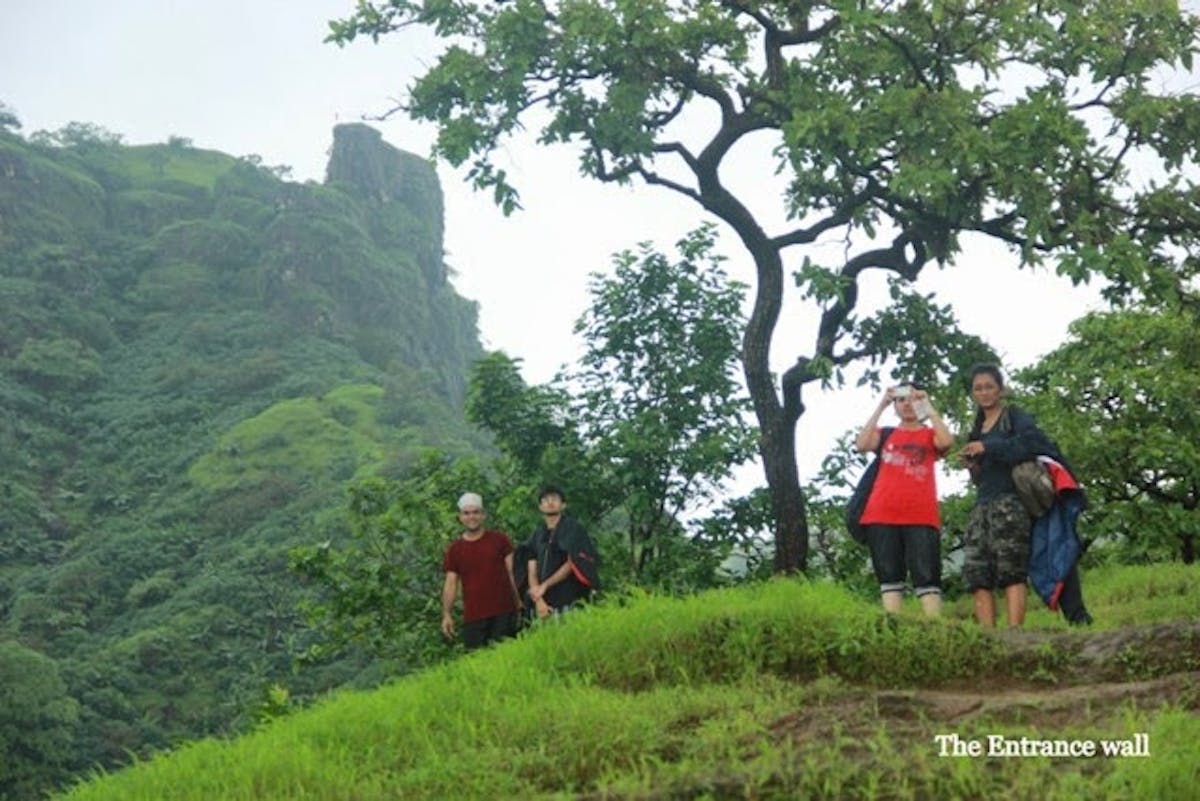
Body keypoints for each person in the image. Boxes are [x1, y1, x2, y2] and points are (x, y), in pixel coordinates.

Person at [957, 364, 1092, 628]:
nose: (984, 393)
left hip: (1015, 501)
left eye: (989, 387)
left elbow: (1033, 443)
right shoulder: (976, 427)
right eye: (978, 388)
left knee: (1019, 564)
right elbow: (981, 477)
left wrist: (988, 447)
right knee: (977, 570)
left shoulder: (1014, 416)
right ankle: (988, 636)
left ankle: (1024, 630)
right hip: (984, 502)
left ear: (1000, 389)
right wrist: (974, 466)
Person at [855, 383, 954, 616]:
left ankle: (934, 630)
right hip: (881, 513)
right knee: (889, 575)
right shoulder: (886, 433)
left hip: (921, 515)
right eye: (901, 400)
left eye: (912, 399)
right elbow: (861, 444)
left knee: (927, 574)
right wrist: (881, 404)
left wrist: (928, 406)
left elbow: (947, 442)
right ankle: (893, 626)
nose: (907, 404)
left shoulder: (929, 435)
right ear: (895, 405)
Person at [441, 492, 522, 650]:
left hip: (504, 612)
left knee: (506, 658)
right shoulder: (455, 550)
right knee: (477, 663)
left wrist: (519, 600)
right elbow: (450, 584)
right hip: (474, 617)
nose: (472, 517)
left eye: (475, 512)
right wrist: (447, 614)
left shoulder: (500, 540)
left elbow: (513, 572)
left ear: (483, 515)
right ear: (460, 517)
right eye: (467, 513)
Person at [526, 484, 600, 618]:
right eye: (545, 500)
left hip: (569, 598)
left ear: (563, 505)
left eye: (554, 499)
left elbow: (572, 562)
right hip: (542, 602)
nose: (550, 502)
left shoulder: (573, 529)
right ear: (540, 506)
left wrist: (545, 586)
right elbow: (531, 568)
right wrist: (538, 598)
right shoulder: (537, 534)